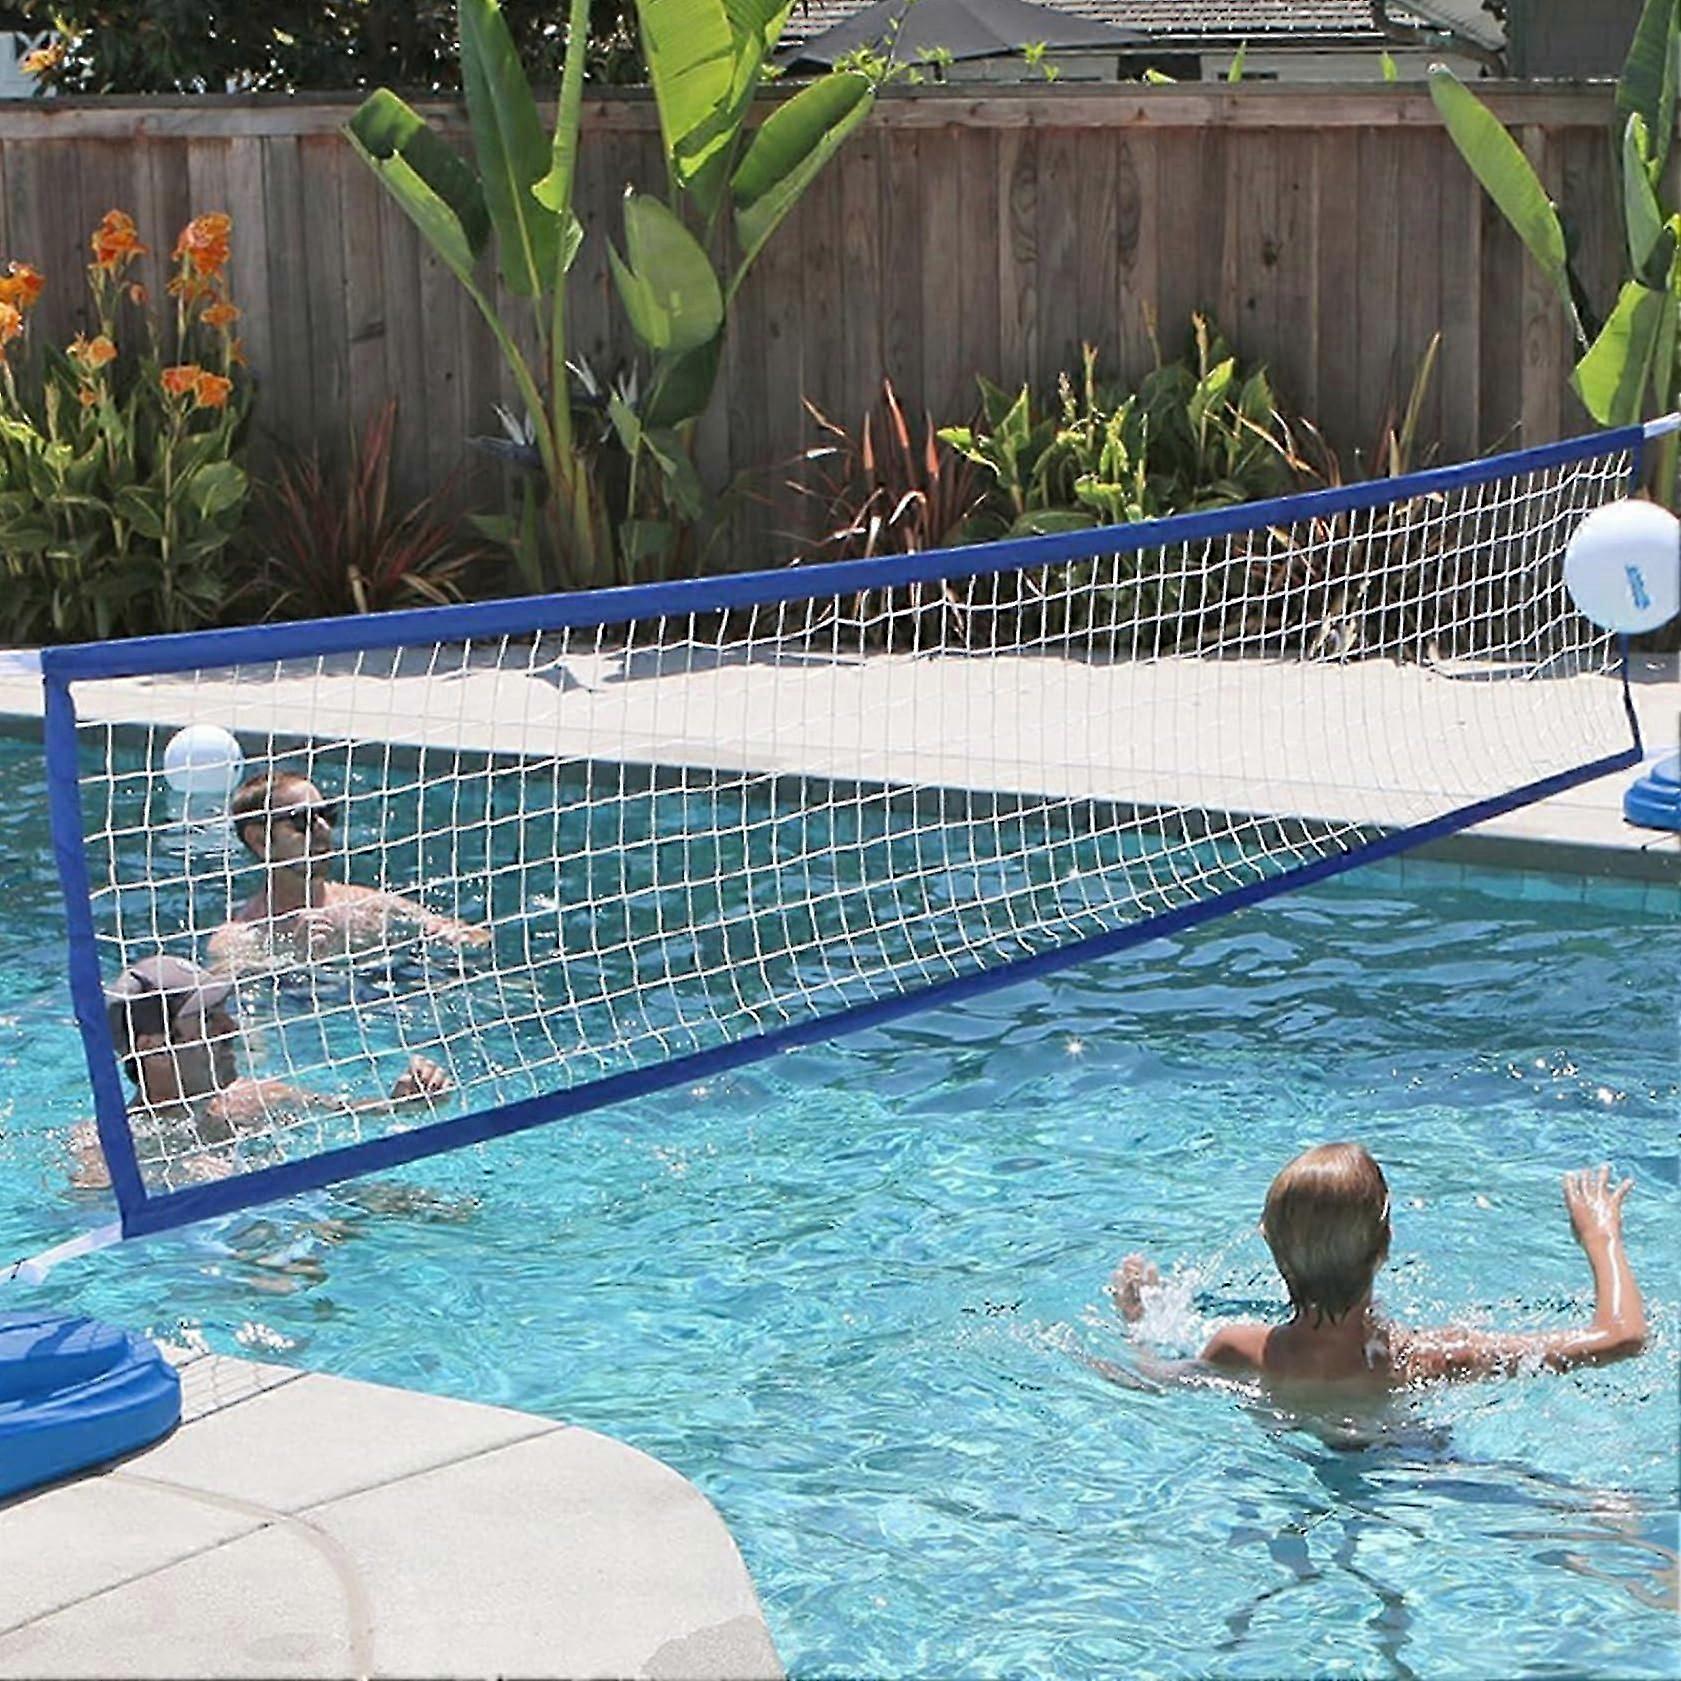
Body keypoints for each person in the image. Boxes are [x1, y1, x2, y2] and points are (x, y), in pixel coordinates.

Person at [1110, 1142, 1647, 1388]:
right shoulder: (1428, 1359)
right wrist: (1601, 1236)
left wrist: (1138, 1322)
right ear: (1384, 1246)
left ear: (1273, 1249)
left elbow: (1152, 1379)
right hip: (1409, 1468)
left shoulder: (1239, 1349)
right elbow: (1622, 1337)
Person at [69, 954, 451, 1189]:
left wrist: (404, 1102)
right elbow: (92, 1220)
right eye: (208, 1018)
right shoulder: (106, 1145)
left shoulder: (257, 1099)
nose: (231, 1028)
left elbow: (353, 1112)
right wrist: (178, 1176)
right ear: (152, 1045)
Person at [208, 769, 489, 969]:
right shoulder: (237, 943)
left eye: (327, 815)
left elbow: (477, 939)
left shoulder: (370, 906)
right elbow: (235, 1020)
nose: (323, 828)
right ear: (260, 841)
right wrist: (294, 962)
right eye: (302, 820)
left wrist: (454, 938)